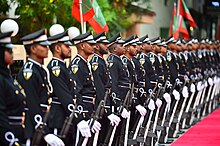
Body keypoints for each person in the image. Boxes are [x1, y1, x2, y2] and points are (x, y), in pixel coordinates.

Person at [17, 28, 64, 146]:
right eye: (43, 46)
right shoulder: (30, 71)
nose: (47, 48)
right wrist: (43, 130)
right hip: (34, 126)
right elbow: (32, 103)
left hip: (44, 121)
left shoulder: (40, 70)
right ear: (33, 49)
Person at [69, 31, 101, 146]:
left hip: (89, 108)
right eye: (90, 44)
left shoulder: (85, 63)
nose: (94, 46)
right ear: (82, 46)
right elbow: (76, 91)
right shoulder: (77, 64)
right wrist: (81, 116)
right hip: (83, 108)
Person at [90, 32, 121, 145]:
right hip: (100, 107)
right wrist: (106, 110)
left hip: (104, 105)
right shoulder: (96, 63)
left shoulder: (101, 61)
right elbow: (99, 88)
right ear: (97, 46)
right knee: (99, 139)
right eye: (103, 44)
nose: (106, 45)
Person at [47, 29, 76, 145]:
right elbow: (63, 94)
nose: (69, 49)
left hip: (65, 117)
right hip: (58, 118)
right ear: (57, 48)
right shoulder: (56, 68)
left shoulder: (63, 66)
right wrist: (76, 116)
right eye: (66, 46)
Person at [0, 26, 25, 145]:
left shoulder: (8, 77)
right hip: (7, 132)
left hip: (18, 130)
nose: (12, 54)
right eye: (9, 51)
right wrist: (9, 138)